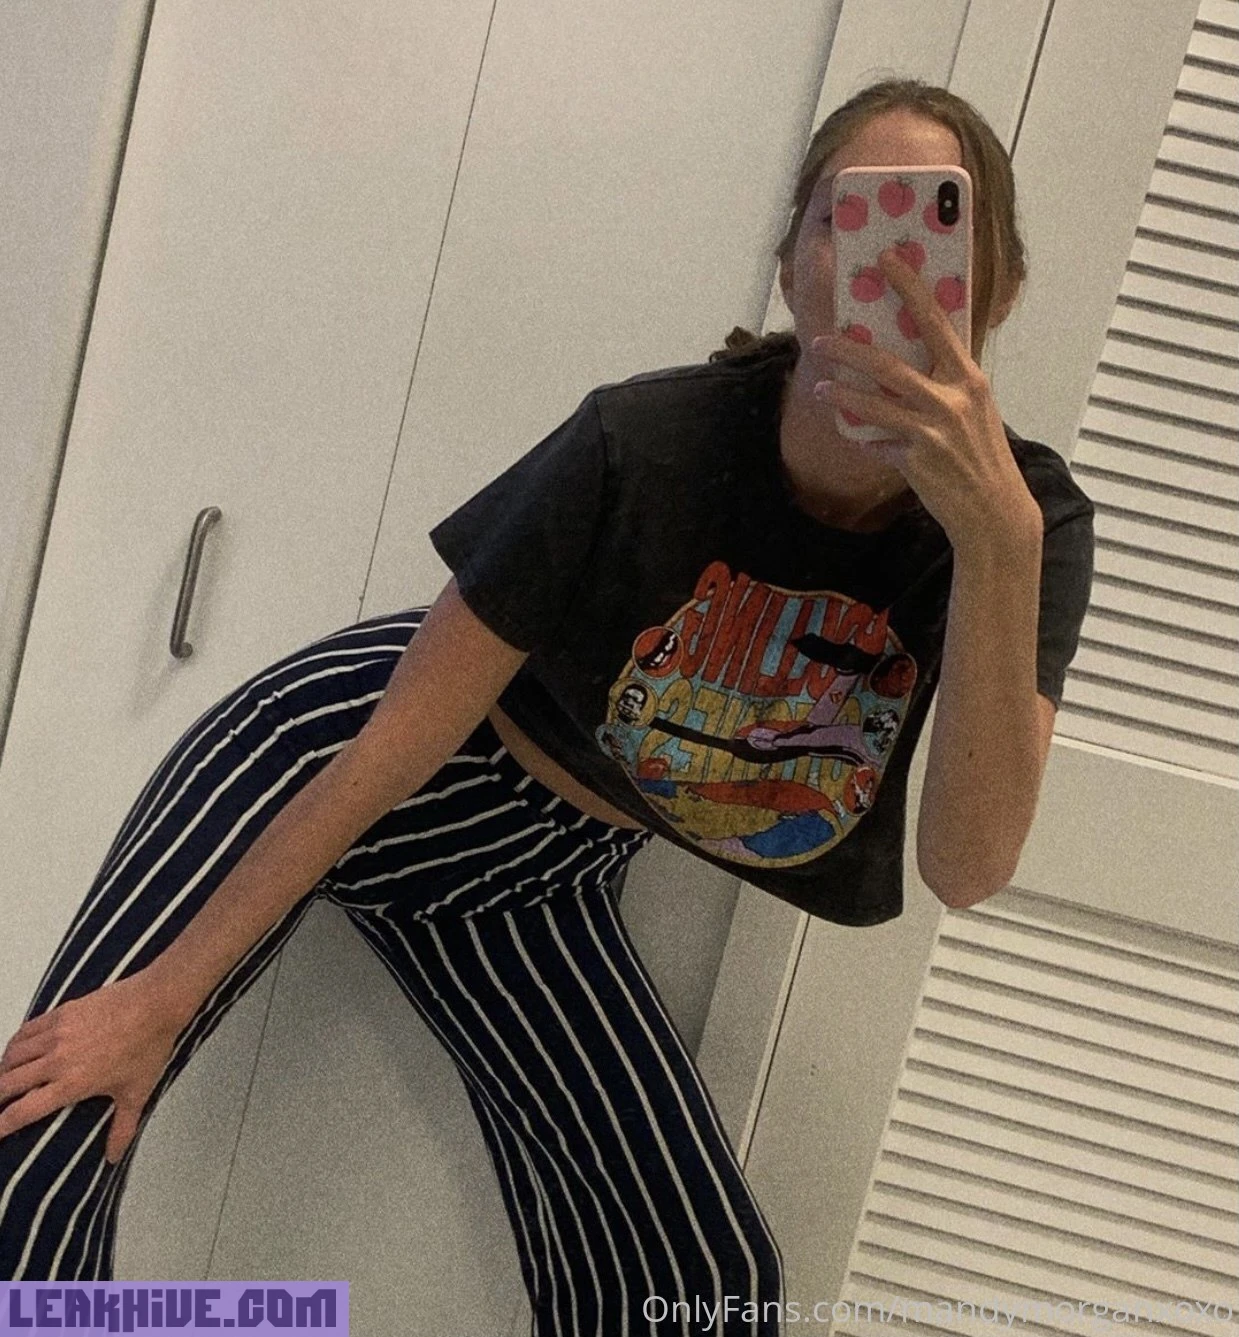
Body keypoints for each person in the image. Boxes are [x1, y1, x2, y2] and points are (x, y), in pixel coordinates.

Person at [0, 77, 1094, 1333]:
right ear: (790, 263)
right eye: (846, 220)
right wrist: (161, 999)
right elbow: (389, 750)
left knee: (703, 1283)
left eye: (931, 225)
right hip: (345, 760)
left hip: (540, 874)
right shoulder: (650, 441)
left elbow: (968, 864)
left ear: (997, 288)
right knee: (45, 1146)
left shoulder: (1026, 530)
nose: (879, 267)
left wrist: (995, 539)